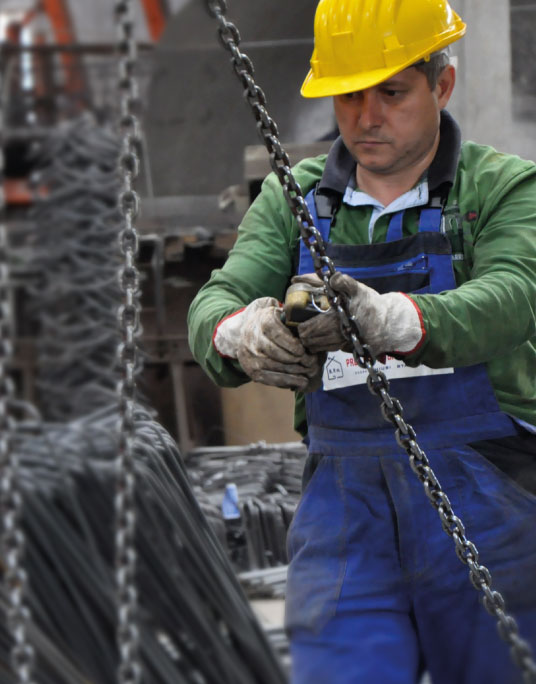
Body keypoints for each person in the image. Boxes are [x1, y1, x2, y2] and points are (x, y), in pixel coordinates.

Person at [188, 0, 536, 681]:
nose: (366, 116)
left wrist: (397, 320)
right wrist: (241, 332)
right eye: (348, 95)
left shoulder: (501, 189)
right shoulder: (297, 198)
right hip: (344, 520)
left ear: (442, 86)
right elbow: (215, 302)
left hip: (489, 501)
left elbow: (515, 296)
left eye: (392, 92)